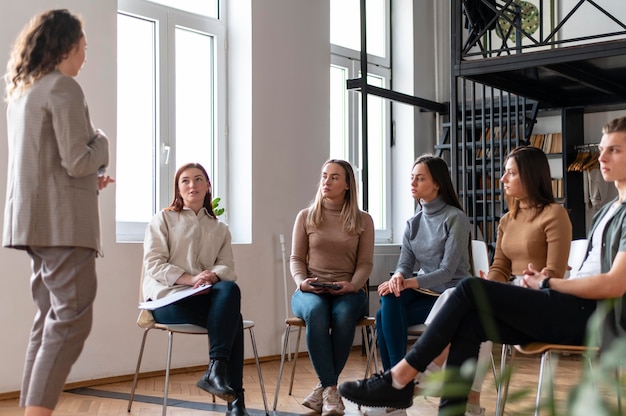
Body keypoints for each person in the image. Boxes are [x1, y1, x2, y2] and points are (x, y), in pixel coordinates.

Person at [338, 116, 626, 416]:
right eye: (602, 149)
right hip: (564, 304)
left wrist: (547, 283)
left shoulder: (567, 214)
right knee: (471, 320)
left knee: (468, 289)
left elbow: (614, 284)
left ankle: (401, 378)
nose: (600, 157)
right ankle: (448, 407)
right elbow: (507, 267)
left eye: (614, 150)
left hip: (595, 318)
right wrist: (507, 282)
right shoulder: (607, 210)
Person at [2, 10, 114, 416]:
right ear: (66, 46)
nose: (85, 58)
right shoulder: (64, 88)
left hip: (32, 222)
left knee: (49, 318)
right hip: (63, 227)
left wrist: (90, 178)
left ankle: (32, 411)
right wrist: (102, 142)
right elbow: (77, 159)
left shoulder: (24, 92)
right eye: (83, 49)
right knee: (71, 321)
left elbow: (49, 163)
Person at [415, 145, 572, 416]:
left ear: (531, 176)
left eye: (510, 173)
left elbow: (554, 273)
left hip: (541, 298)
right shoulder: (507, 220)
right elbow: (500, 266)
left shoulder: (554, 214)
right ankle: (470, 402)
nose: (502, 179)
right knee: (471, 309)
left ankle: (424, 369)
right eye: (504, 172)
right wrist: (492, 280)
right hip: (511, 293)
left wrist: (509, 286)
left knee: (467, 299)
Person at [143, 162, 248, 416]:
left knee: (229, 289)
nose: (193, 185)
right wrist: (190, 280)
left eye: (199, 179)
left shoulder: (219, 228)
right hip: (167, 302)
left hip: (203, 299)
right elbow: (153, 264)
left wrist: (211, 277)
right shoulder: (163, 219)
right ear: (178, 189)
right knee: (234, 320)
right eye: (186, 181)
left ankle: (217, 371)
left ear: (208, 186)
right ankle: (235, 401)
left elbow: (227, 267)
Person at [290, 159, 375, 416]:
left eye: (335, 177)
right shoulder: (306, 216)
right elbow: (296, 259)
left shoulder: (363, 220)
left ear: (348, 185)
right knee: (316, 312)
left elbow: (365, 263)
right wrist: (301, 281)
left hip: (348, 291)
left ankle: (324, 390)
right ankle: (330, 390)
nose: (327, 181)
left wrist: (353, 285)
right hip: (310, 290)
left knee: (342, 315)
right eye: (325, 176)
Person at [375, 154, 471, 373]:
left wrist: (406, 283)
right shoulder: (413, 223)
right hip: (425, 291)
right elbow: (405, 264)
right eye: (412, 178)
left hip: (451, 295)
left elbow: (446, 272)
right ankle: (396, 380)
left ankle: (395, 380)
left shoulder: (456, 218)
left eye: (420, 178)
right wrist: (398, 276)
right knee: (389, 297)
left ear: (437, 184)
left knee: (384, 315)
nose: (412, 183)